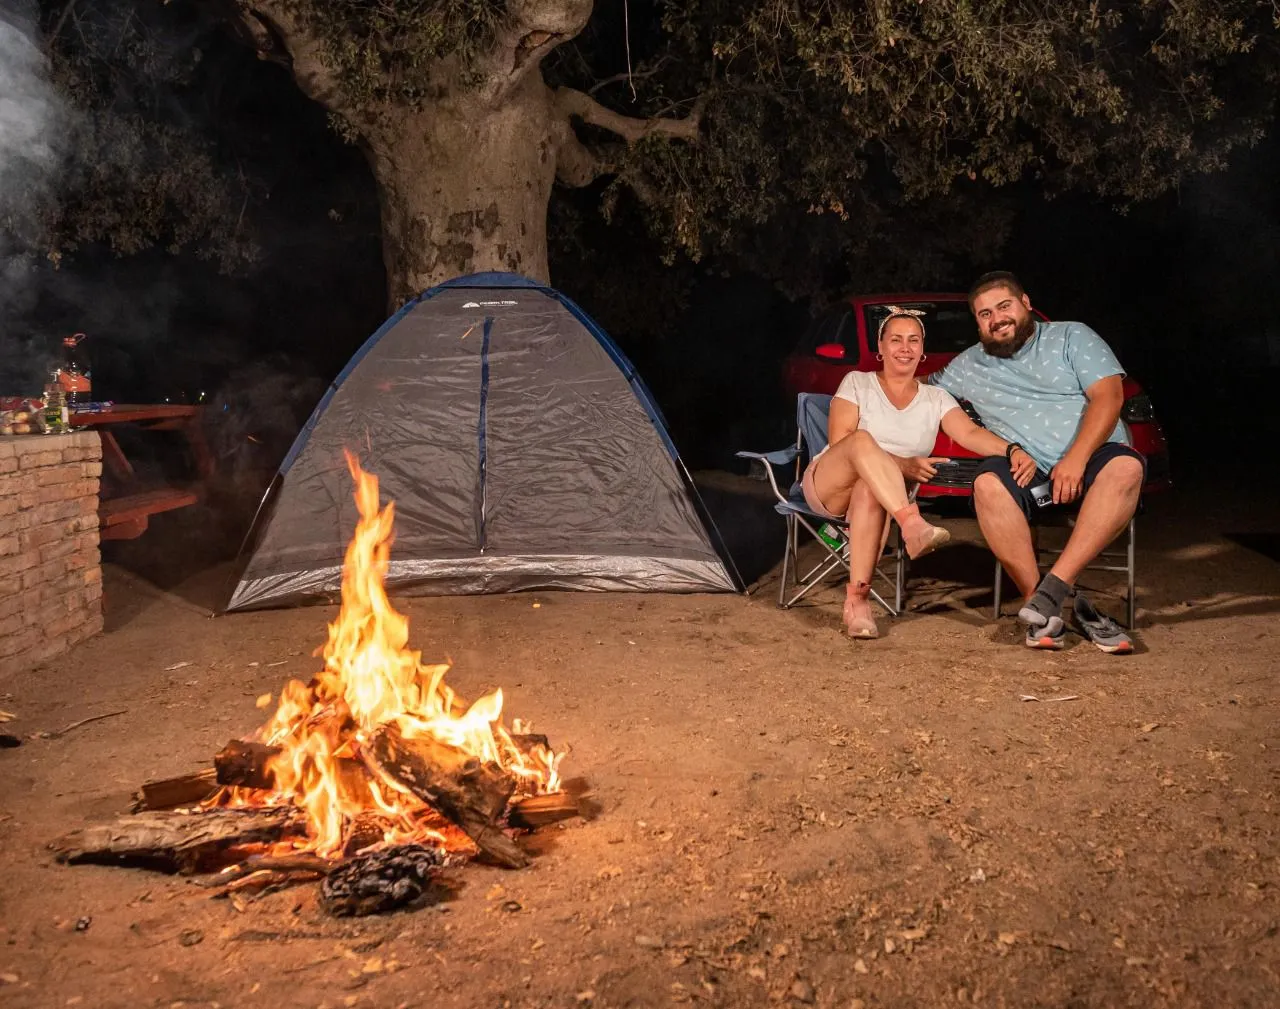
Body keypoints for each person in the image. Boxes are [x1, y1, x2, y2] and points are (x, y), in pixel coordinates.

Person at [931, 271, 1145, 653]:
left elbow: (1109, 397)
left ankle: (1055, 588)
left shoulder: (1071, 336)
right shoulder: (967, 366)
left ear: (1026, 303)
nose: (997, 319)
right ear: (977, 323)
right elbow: (911, 390)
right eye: (984, 314)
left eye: (1004, 306)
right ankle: (1046, 607)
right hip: (1027, 468)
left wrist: (1076, 460)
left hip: (1091, 455)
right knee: (986, 485)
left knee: (1128, 467)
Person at [802, 307, 1035, 639]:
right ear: (880, 348)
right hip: (830, 484)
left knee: (870, 489)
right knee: (861, 440)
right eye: (895, 340)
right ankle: (912, 524)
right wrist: (901, 464)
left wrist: (1011, 449)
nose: (904, 348)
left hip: (878, 496)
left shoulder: (935, 398)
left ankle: (858, 602)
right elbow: (841, 441)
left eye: (913, 340)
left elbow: (969, 434)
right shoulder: (857, 382)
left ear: (923, 351)